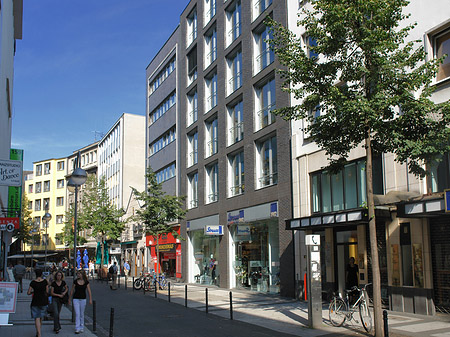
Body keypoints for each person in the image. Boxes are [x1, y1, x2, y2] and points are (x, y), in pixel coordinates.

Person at [69, 270, 92, 334]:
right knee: (77, 313)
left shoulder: (86, 282)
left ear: (83, 274)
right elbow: (72, 290)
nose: (78, 275)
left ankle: (82, 327)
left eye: (79, 274)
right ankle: (77, 328)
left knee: (82, 313)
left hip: (83, 299)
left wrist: (90, 299)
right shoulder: (75, 281)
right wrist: (69, 299)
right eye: (78, 274)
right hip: (76, 298)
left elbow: (89, 291)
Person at [27, 269, 49, 337]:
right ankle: (38, 331)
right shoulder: (45, 282)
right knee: (41, 317)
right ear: (41, 274)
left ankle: (39, 333)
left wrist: (33, 292)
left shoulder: (33, 282)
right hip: (43, 301)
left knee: (36, 317)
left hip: (35, 301)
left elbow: (28, 292)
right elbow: (47, 291)